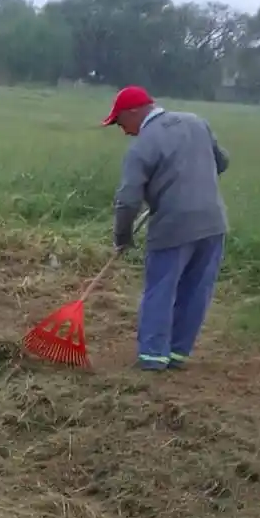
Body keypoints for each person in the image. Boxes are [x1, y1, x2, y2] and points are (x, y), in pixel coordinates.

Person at [103, 85, 230, 372]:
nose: (123, 130)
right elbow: (222, 162)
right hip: (213, 222)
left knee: (161, 288)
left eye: (121, 122)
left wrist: (122, 237)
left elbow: (127, 200)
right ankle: (177, 354)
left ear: (133, 112)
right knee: (196, 289)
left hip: (173, 226)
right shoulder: (197, 123)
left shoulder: (141, 147)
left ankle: (152, 356)